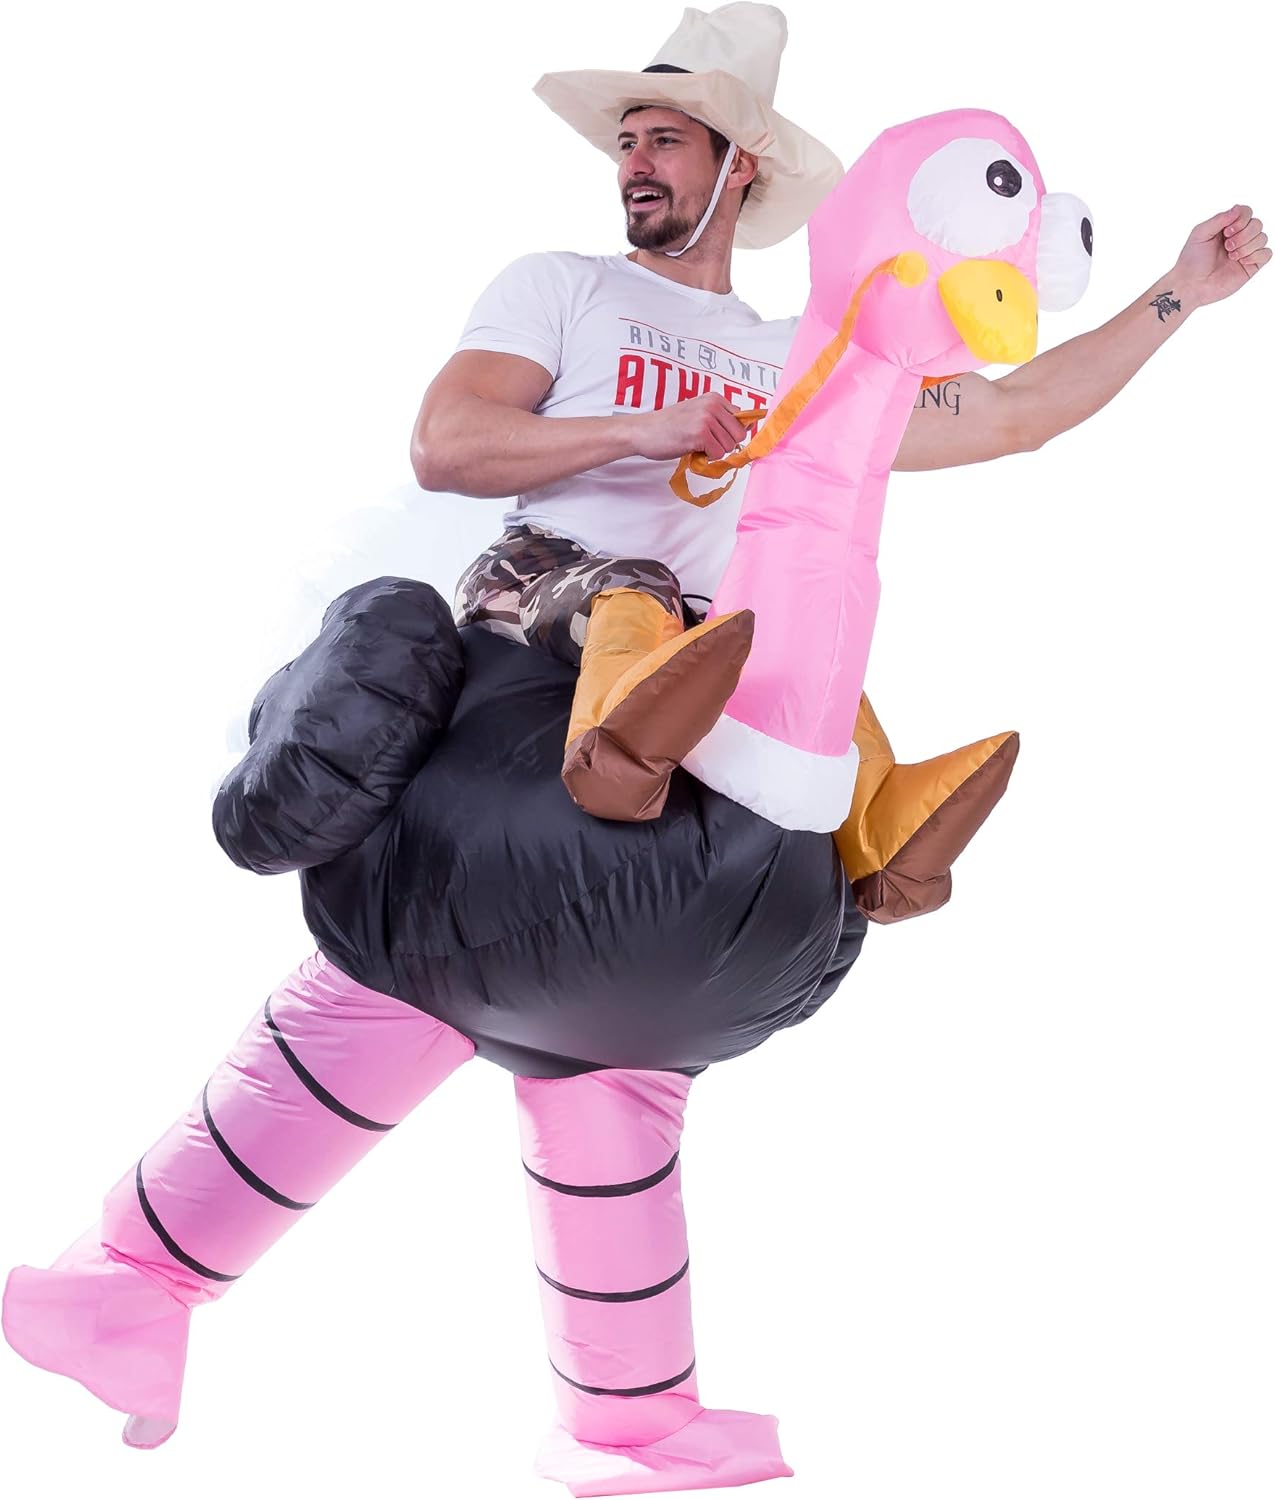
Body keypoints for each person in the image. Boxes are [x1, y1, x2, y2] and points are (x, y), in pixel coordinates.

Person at [411, 1, 1267, 824]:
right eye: (627, 142)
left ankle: (882, 824)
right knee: (638, 595)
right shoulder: (562, 285)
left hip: (708, 636)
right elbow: (443, 446)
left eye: (664, 141)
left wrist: (1180, 293)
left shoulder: (810, 357)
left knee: (815, 650)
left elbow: (1015, 412)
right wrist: (641, 430)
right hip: (550, 578)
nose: (634, 162)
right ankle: (616, 749)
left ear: (738, 164)